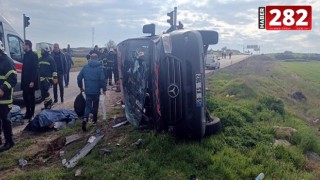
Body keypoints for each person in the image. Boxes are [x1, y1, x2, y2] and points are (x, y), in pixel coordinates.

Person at [77, 53, 106, 131]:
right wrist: (104, 89)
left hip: (88, 90)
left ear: (90, 58)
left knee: (88, 106)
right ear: (97, 59)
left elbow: (79, 77)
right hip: (96, 91)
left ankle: (85, 118)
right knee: (95, 105)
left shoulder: (85, 67)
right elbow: (102, 80)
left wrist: (81, 87)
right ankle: (94, 120)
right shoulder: (100, 68)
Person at [0, 40, 17, 152]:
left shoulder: (7, 61)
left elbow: (13, 79)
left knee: (5, 120)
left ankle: (9, 141)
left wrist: (2, 88)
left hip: (4, 98)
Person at [21, 40, 39, 121]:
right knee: (25, 97)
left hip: (31, 81)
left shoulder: (34, 55)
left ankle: (32, 114)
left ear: (28, 46)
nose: (23, 46)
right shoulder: (25, 55)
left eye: (24, 45)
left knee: (31, 97)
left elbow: (35, 69)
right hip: (25, 80)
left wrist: (32, 81)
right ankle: (27, 113)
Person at [39, 43, 57, 109]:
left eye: (42, 50)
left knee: (45, 92)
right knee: (43, 94)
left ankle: (50, 103)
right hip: (41, 79)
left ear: (45, 50)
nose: (41, 51)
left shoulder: (50, 59)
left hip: (48, 79)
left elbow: (54, 70)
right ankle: (46, 106)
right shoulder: (40, 59)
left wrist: (55, 79)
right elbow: (39, 69)